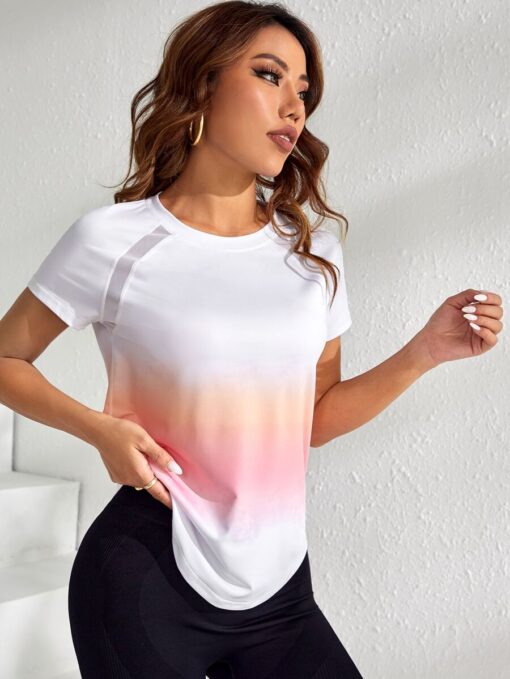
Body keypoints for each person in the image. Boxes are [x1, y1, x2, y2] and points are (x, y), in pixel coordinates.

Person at [0, 1, 503, 677]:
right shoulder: (114, 241)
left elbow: (314, 418)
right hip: (145, 577)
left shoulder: (311, 253)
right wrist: (100, 431)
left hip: (281, 590)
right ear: (203, 83)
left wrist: (424, 352)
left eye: (304, 91)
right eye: (269, 75)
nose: (294, 107)